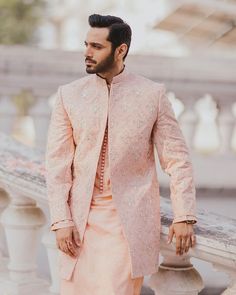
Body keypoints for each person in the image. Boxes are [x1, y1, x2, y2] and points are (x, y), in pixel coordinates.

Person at [45, 13, 197, 295]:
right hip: (78, 225)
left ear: (121, 50)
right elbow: (57, 165)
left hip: (126, 225)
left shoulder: (152, 94)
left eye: (97, 47)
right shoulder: (69, 95)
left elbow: (177, 159)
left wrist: (184, 215)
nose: (87, 53)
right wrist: (61, 220)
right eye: (86, 44)